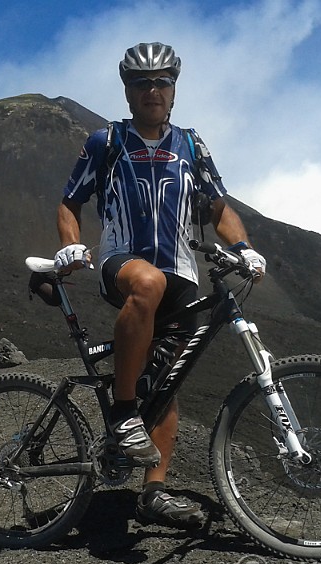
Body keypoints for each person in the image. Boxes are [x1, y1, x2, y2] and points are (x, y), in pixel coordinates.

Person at [54, 42, 266, 528]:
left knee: (168, 380)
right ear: (128, 93)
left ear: (173, 90)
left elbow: (217, 206)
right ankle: (124, 414)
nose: (152, 90)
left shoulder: (192, 145)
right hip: (122, 264)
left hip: (182, 274)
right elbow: (70, 201)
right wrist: (70, 244)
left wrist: (244, 246)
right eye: (141, 83)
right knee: (145, 283)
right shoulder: (105, 141)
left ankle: (153, 491)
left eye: (161, 82)